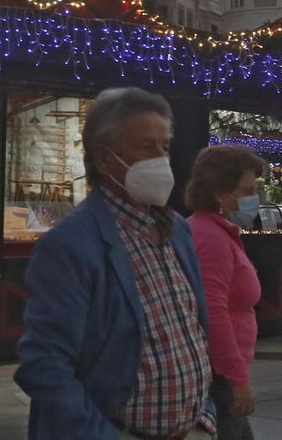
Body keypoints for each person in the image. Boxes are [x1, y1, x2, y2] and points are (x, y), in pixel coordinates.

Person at [16, 88, 214, 440]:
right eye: (145, 146)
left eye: (164, 146)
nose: (161, 158)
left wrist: (204, 420)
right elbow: (44, 365)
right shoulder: (71, 246)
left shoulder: (177, 230)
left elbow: (194, 332)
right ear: (105, 159)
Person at [186, 145, 266, 440]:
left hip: (220, 372)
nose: (254, 197)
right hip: (218, 375)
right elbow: (213, 311)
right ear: (220, 193)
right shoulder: (211, 237)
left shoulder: (215, 231)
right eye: (247, 190)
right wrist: (237, 378)